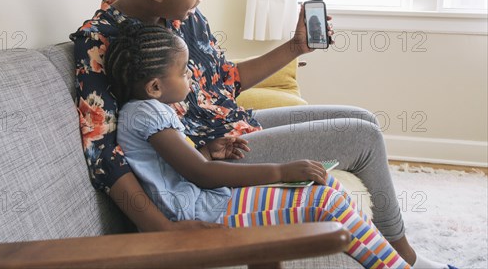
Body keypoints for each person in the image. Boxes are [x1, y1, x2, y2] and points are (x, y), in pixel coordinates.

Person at [70, 0, 456, 269]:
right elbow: (104, 157)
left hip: (228, 133)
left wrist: (295, 47)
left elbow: (225, 81)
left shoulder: (183, 17)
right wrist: (165, 231)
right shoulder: (99, 41)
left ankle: (397, 249)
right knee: (362, 136)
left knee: (362, 118)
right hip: (204, 157)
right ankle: (407, 257)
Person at [106, 21, 411, 268]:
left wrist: (208, 150)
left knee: (325, 184)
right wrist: (281, 171)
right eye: (184, 71)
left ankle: (393, 260)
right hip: (201, 215)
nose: (190, 77)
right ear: (155, 86)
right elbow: (200, 174)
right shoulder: (146, 114)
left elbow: (177, 169)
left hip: (207, 203)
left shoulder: (148, 109)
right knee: (325, 202)